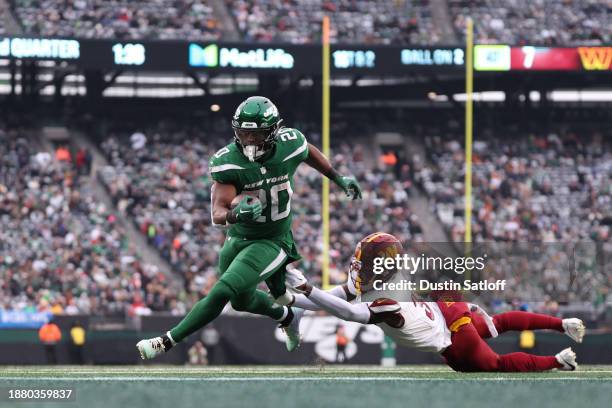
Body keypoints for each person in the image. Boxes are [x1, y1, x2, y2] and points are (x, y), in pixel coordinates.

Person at [137, 96, 362, 359]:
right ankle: (287, 315)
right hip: (238, 237)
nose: (249, 140)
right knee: (240, 300)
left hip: (273, 239)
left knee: (222, 289)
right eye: (244, 133)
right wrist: (235, 214)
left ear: (272, 131)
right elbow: (217, 214)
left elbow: (307, 150)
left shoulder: (289, 144)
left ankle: (165, 342)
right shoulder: (228, 161)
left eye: (256, 134)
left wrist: (337, 177)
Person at [286, 232, 585, 372]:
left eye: (365, 259)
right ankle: (563, 324)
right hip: (444, 308)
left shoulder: (389, 300)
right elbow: (332, 301)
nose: (358, 264)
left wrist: (307, 287)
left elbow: (349, 312)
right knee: (499, 323)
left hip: (452, 338)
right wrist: (295, 297)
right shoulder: (386, 279)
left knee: (496, 364)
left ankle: (557, 361)